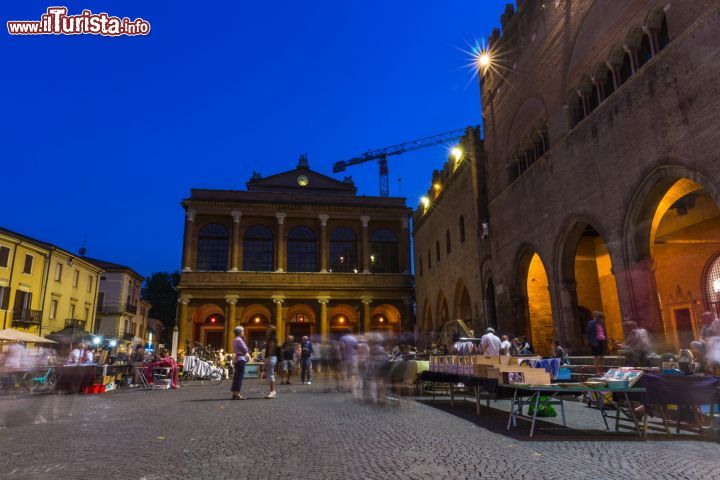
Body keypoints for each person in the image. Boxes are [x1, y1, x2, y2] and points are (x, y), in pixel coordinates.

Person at [231, 326, 249, 400]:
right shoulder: (239, 340)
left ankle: (235, 393)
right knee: (239, 377)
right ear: (240, 332)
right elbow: (245, 349)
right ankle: (237, 393)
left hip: (236, 359)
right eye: (243, 331)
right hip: (241, 359)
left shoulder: (235, 340)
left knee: (236, 377)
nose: (244, 332)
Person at [264, 327, 279, 398]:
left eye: (268, 329)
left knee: (270, 375)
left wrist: (268, 357)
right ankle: (272, 391)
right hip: (272, 357)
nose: (266, 330)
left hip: (271, 357)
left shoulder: (272, 338)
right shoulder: (273, 337)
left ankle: (272, 392)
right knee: (270, 374)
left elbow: (271, 346)